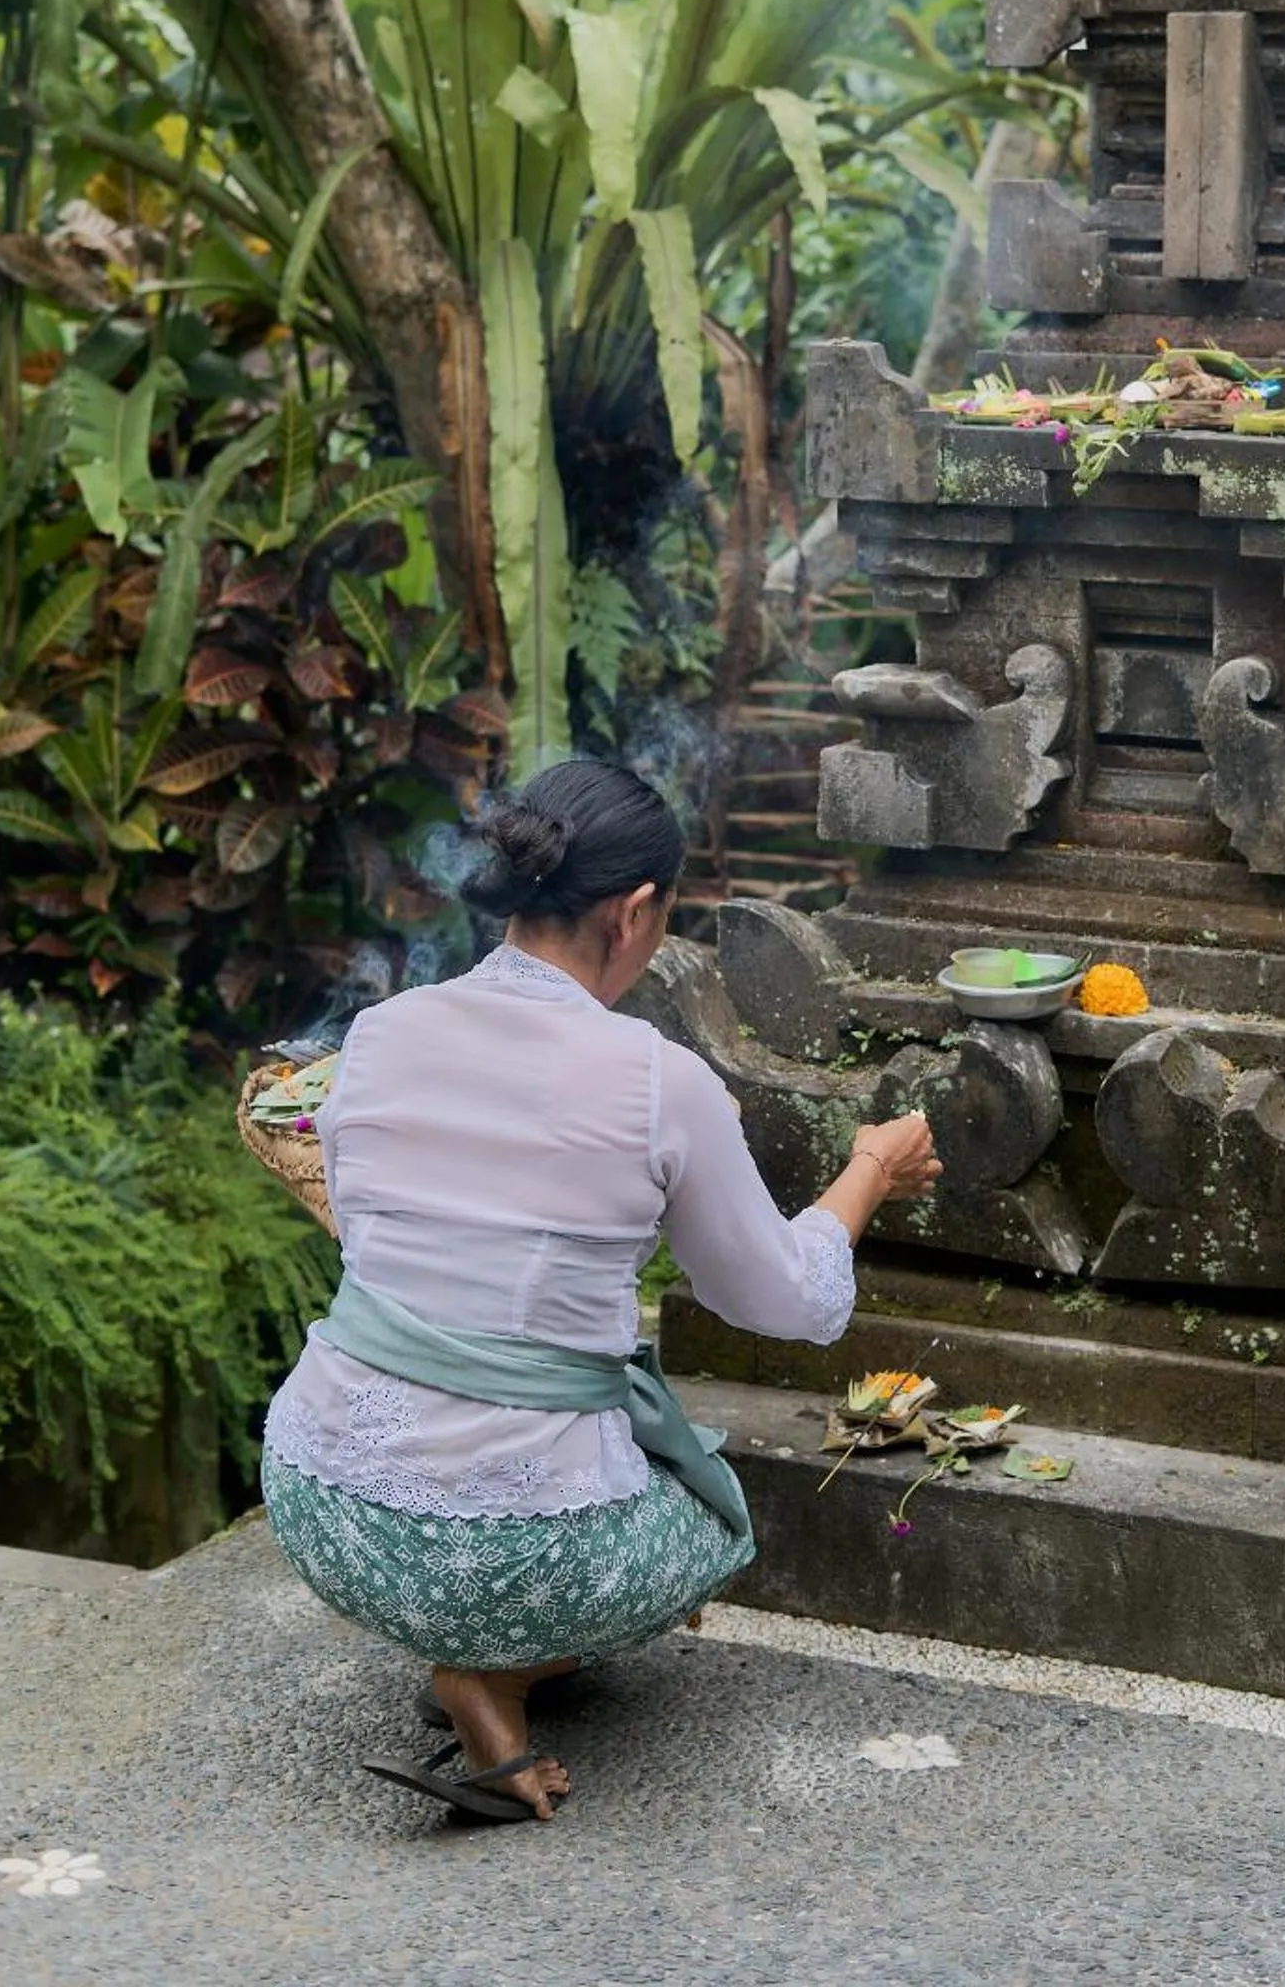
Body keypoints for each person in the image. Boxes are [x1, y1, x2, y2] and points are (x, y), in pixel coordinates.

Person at [260, 758, 941, 1824]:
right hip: (506, 1551)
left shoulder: (381, 1033)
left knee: (542, 1427)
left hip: (316, 1497)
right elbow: (793, 1302)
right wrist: (870, 1170)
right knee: (709, 1515)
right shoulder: (657, 1078)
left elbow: (366, 1222)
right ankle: (493, 1671)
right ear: (632, 913)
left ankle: (472, 1653)